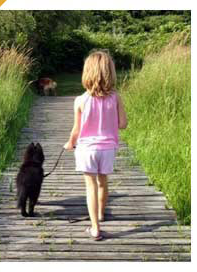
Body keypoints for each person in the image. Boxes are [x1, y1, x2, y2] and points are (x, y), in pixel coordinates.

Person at [63, 50, 127, 240]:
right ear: (110, 73)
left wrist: (70, 143)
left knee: (90, 186)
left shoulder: (80, 100)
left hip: (86, 149)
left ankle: (95, 227)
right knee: (103, 183)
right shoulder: (116, 98)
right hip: (107, 149)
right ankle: (100, 213)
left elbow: (76, 130)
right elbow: (123, 124)